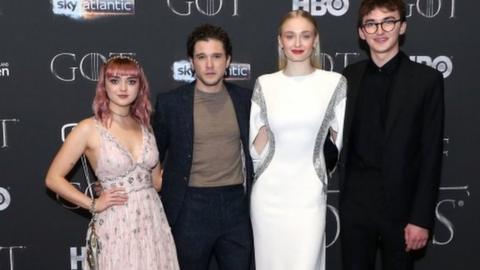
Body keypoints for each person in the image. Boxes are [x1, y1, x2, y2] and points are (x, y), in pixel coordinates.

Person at [337, 0, 445, 269]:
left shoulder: (426, 80)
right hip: (356, 205)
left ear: (402, 27)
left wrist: (420, 218)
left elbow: (431, 154)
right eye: (371, 23)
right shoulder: (348, 76)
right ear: (362, 32)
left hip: (402, 208)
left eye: (388, 21)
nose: (380, 30)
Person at [45, 56, 179, 270]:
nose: (123, 88)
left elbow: (156, 183)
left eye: (131, 81)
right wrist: (93, 204)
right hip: (116, 223)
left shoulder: (146, 127)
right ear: (104, 86)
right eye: (115, 80)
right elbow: (53, 178)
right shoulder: (88, 128)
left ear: (140, 87)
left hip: (153, 221)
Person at [249, 10, 346, 270]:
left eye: (305, 36)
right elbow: (255, 150)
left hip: (309, 195)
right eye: (290, 36)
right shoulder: (265, 84)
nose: (297, 43)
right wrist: (260, 142)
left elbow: (338, 142)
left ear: (315, 40)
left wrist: (322, 174)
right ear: (280, 41)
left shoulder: (334, 83)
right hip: (268, 197)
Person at [153, 24, 254, 270]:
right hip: (190, 206)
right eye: (202, 57)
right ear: (192, 62)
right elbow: (152, 151)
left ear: (228, 60)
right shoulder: (171, 104)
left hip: (236, 207)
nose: (209, 65)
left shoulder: (247, 100)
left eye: (216, 56)